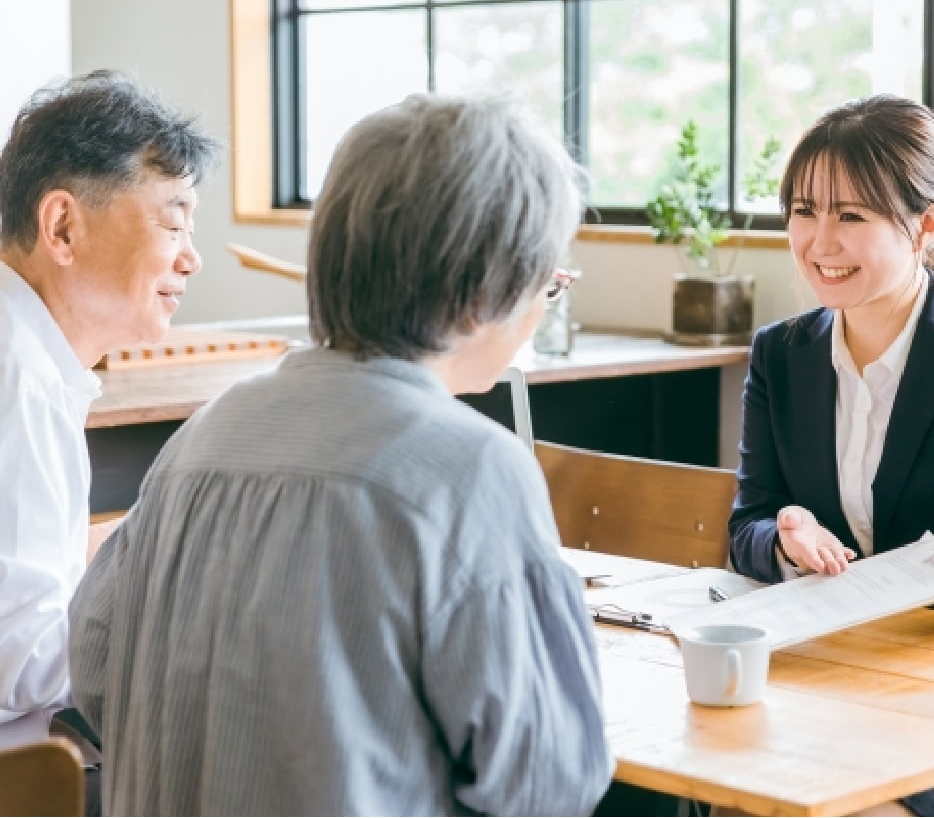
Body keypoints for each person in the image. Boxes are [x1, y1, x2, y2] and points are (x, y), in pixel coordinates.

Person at [68, 93, 614, 815]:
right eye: (547, 279)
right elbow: (548, 779)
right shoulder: (472, 468)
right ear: (485, 290)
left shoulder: (204, 435)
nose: (544, 302)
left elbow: (96, 666)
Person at [728, 93, 934, 816]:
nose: (819, 241)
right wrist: (785, 536)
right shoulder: (781, 353)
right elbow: (747, 524)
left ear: (925, 225)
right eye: (805, 210)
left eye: (851, 216)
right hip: (830, 680)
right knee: (741, 794)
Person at [0, 70, 216, 752]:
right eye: (173, 221)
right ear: (62, 224)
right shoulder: (18, 376)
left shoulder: (26, 349)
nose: (193, 258)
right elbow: (23, 657)